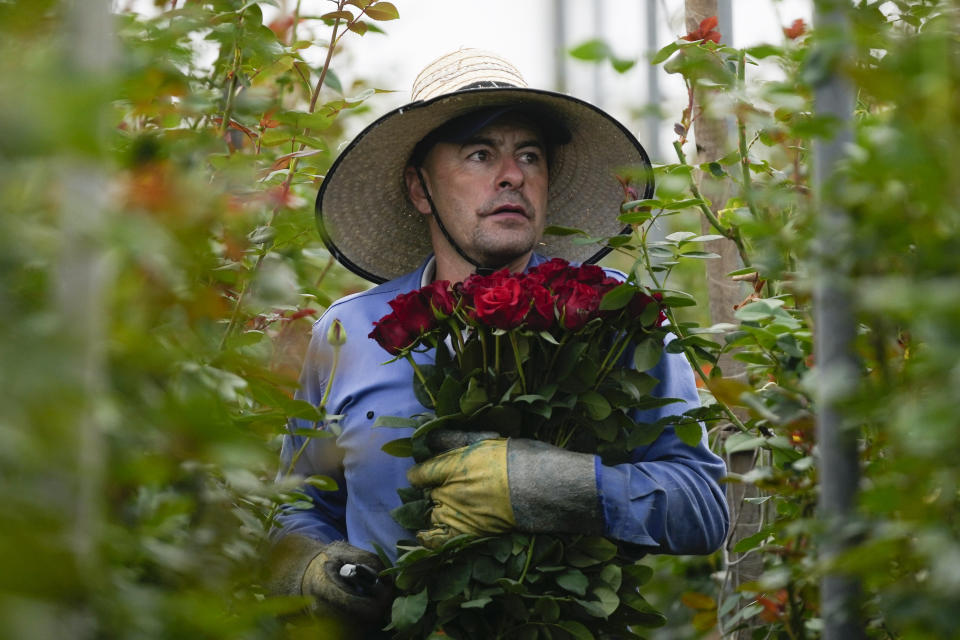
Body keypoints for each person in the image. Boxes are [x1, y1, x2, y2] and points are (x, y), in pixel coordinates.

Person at [267, 49, 729, 632]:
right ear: (420, 188)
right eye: (480, 154)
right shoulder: (346, 334)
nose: (512, 175)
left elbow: (704, 507)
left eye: (529, 156)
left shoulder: (614, 318)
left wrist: (561, 486)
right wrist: (311, 567)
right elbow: (296, 505)